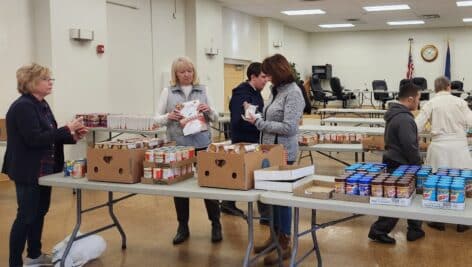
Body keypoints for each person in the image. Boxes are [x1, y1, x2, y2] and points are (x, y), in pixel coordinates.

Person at [2, 63, 87, 267]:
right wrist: (66, 129)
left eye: (51, 79)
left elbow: (50, 136)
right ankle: (15, 262)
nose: (50, 82)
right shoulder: (23, 106)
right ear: (31, 83)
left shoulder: (42, 104)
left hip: (44, 169)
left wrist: (72, 135)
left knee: (39, 212)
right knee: (26, 215)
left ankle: (34, 255)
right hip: (27, 170)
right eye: (46, 79)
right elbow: (34, 139)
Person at [154, 56, 222, 244]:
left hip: (202, 144)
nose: (187, 74)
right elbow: (156, 118)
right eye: (182, 71)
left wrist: (208, 110)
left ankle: (216, 224)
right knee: (180, 188)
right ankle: (182, 226)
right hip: (179, 147)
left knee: (209, 184)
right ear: (175, 74)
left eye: (190, 71)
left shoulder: (203, 90)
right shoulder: (167, 92)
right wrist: (170, 115)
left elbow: (216, 117)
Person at [246, 54, 304, 265]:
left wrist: (259, 122)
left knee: (282, 200)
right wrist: (256, 116)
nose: (266, 78)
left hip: (284, 153)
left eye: (269, 74)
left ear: (278, 72)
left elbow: (290, 128)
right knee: (272, 198)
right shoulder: (276, 91)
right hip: (270, 152)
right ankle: (274, 236)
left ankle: (285, 241)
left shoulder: (294, 93)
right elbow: (272, 118)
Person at [368, 82, 425, 244]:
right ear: (410, 98)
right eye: (418, 99)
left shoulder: (395, 114)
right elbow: (410, 146)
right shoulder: (404, 118)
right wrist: (418, 164)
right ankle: (378, 230)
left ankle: (415, 228)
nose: (418, 102)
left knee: (404, 196)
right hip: (403, 164)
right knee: (396, 199)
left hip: (395, 161)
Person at [416, 76, 472, 233]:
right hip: (459, 147)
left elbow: (417, 125)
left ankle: (438, 220)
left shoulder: (430, 103)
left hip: (439, 147)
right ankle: (462, 222)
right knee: (461, 183)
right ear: (449, 87)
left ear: (435, 89)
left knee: (436, 182)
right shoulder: (460, 102)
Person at [220, 62, 268, 218]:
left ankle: (262, 210)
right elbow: (238, 119)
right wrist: (258, 121)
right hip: (244, 140)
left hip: (253, 139)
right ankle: (228, 204)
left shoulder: (256, 91)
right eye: (262, 77)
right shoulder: (241, 92)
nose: (266, 80)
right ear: (252, 76)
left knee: (253, 174)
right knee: (240, 173)